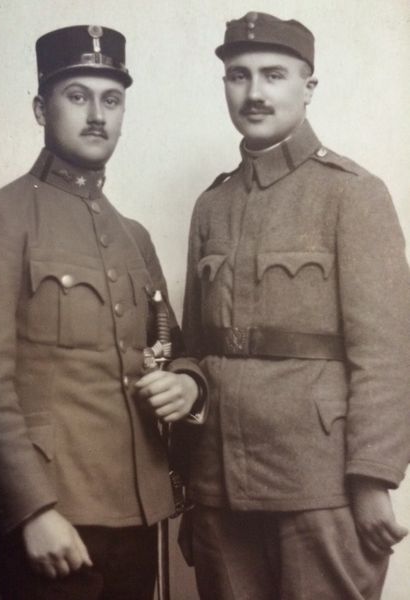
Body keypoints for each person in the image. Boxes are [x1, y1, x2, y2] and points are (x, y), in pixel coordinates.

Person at [0, 24, 205, 600]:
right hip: (52, 511)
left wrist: (189, 387)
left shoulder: (133, 236)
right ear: (40, 109)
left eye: (111, 100)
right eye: (77, 96)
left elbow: (174, 349)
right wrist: (31, 511)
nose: (97, 115)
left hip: (136, 506)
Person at [180, 11, 410, 600]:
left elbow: (387, 353)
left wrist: (373, 478)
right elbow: (193, 349)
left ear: (309, 87)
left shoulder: (352, 193)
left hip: (320, 484)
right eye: (239, 75)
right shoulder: (212, 205)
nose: (254, 93)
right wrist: (190, 482)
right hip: (218, 483)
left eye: (274, 75)